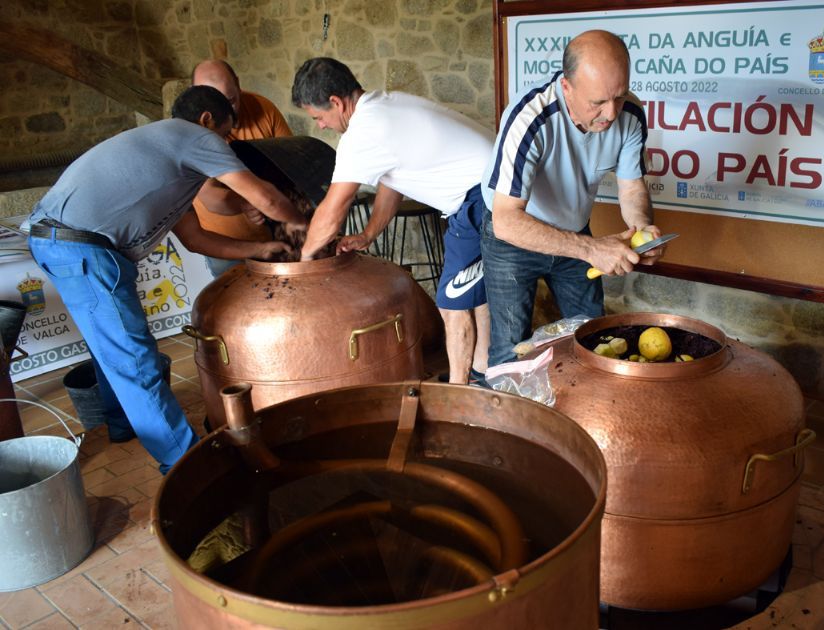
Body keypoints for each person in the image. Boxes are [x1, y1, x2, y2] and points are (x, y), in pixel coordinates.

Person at [27, 85, 306, 473]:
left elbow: (196, 240)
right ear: (208, 120)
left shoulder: (166, 160)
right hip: (81, 247)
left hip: (63, 241)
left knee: (113, 349)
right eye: (226, 135)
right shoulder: (190, 135)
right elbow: (270, 200)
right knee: (135, 360)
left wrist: (257, 250)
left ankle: (122, 424)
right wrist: (309, 230)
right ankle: (190, 467)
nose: (225, 145)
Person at [291, 57, 492, 386]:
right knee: (474, 290)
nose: (320, 126)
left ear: (336, 102)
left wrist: (303, 261)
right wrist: (370, 233)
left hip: (479, 198)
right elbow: (392, 180)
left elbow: (333, 207)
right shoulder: (387, 105)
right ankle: (484, 373)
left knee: (451, 303)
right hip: (492, 189)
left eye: (318, 117)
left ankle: (458, 394)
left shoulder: (363, 130)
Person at [481, 29, 664, 366]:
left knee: (594, 336)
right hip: (514, 236)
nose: (611, 113)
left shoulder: (630, 114)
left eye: (619, 96)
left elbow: (632, 186)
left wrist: (642, 229)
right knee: (510, 349)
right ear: (566, 87)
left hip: (574, 229)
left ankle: (583, 415)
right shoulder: (530, 118)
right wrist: (592, 249)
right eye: (597, 102)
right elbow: (505, 219)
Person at [191, 59, 294, 276]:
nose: (227, 112)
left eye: (231, 100)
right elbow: (209, 197)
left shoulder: (263, 109)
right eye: (217, 106)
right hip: (226, 247)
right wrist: (246, 203)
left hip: (272, 238)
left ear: (237, 84)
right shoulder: (193, 131)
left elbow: (292, 164)